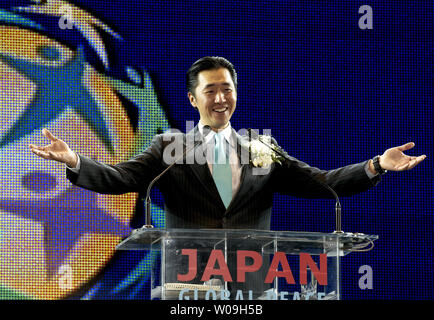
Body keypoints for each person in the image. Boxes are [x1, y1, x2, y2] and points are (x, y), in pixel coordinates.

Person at [29, 56, 426, 230]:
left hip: (251, 279)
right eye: (211, 90)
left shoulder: (263, 148)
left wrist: (375, 164)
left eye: (228, 89)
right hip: (188, 279)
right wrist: (75, 160)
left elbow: (321, 182)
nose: (221, 98)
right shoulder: (172, 147)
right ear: (192, 98)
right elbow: (121, 177)